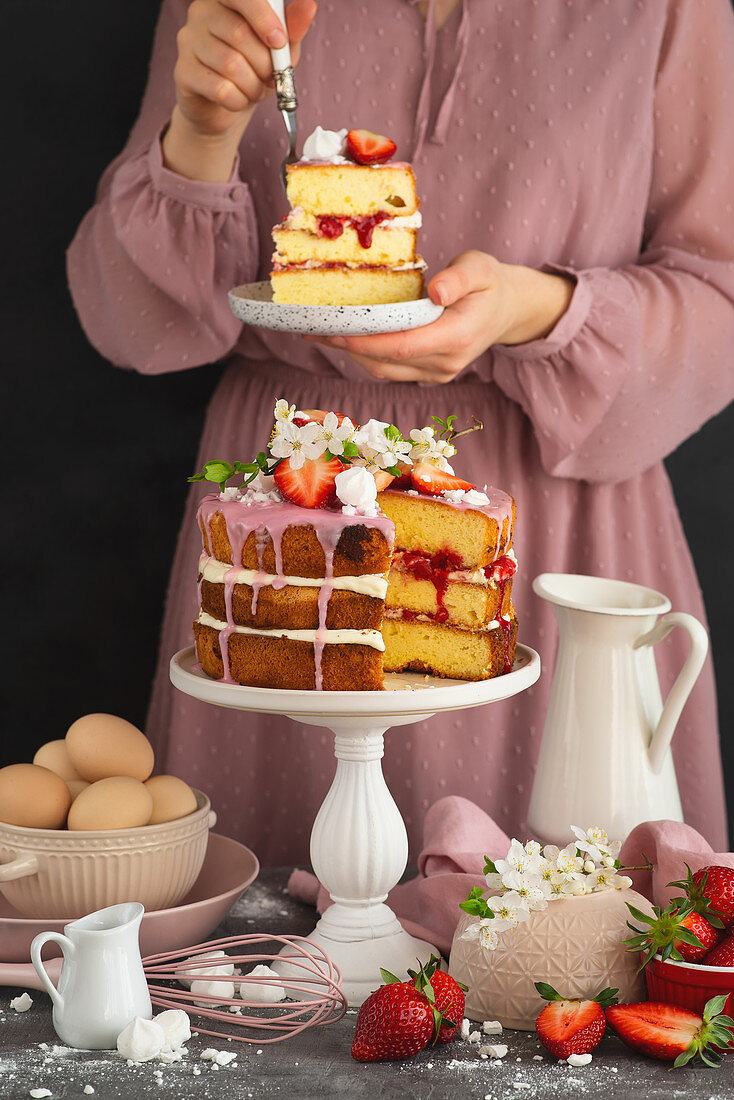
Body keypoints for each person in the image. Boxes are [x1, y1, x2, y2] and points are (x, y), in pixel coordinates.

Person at [68, 0, 734, 864]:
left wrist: (537, 310)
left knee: (565, 949)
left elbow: (718, 296)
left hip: (559, 515)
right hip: (287, 522)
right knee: (268, 975)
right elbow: (136, 325)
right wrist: (199, 130)